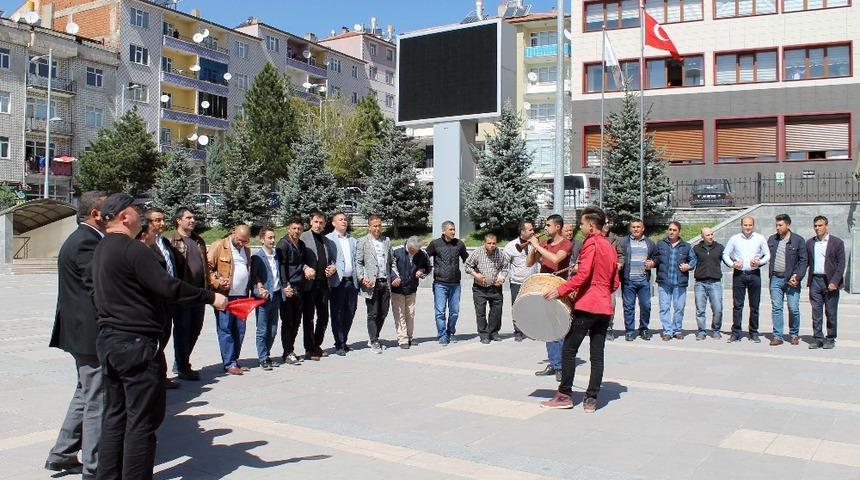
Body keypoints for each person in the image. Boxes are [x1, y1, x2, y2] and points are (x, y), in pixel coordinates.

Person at [92, 193, 226, 479]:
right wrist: (209, 297)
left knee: (115, 416)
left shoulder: (102, 248)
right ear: (124, 217)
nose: (141, 215)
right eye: (136, 210)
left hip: (110, 342)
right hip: (137, 346)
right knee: (142, 422)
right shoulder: (134, 250)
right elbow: (169, 287)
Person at [45, 191, 105, 479]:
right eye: (108, 211)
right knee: (97, 399)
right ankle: (95, 468)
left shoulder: (84, 239)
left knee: (84, 393)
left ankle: (63, 453)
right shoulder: (86, 243)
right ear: (95, 214)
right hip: (89, 334)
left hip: (81, 333)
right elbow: (99, 288)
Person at [541, 206, 620, 412]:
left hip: (588, 305)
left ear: (592, 226)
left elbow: (583, 275)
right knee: (597, 354)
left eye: (583, 223)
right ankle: (591, 399)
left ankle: (565, 395)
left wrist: (560, 290)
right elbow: (615, 283)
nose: (580, 227)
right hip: (604, 307)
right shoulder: (610, 246)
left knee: (568, 349)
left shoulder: (591, 243)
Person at [527, 214, 572, 380]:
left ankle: (560, 366)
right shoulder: (544, 243)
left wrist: (538, 247)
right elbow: (529, 263)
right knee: (547, 327)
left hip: (558, 288)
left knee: (558, 328)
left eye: (548, 225)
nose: (545, 228)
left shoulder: (566, 243)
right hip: (543, 287)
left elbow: (555, 258)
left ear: (557, 227)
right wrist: (532, 248)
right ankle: (554, 363)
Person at [168, 207, 209, 380]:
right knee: (182, 330)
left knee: (195, 330)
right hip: (183, 295)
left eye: (193, 217)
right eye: (188, 217)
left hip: (199, 293)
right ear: (178, 220)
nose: (193, 220)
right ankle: (183, 366)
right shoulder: (171, 241)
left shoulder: (198, 240)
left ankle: (181, 362)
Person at [208, 224, 252, 375]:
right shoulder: (219, 246)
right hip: (225, 296)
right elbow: (207, 267)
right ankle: (229, 363)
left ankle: (234, 360)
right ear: (233, 233)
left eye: (245, 241)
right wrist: (217, 281)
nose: (241, 243)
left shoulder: (246, 250)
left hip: (242, 296)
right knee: (226, 329)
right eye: (239, 240)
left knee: (239, 330)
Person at [144, 208, 180, 389]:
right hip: (156, 299)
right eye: (157, 220)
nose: (162, 223)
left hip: (169, 299)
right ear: (148, 223)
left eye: (163, 220)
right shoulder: (145, 245)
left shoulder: (164, 242)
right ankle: (155, 376)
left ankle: (161, 375)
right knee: (156, 338)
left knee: (165, 335)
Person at [722, 216, 770, 343]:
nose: (747, 227)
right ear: (741, 225)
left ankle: (753, 332)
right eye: (745, 225)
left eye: (750, 225)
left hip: (754, 274)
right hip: (739, 275)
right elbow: (725, 254)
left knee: (754, 306)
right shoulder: (734, 239)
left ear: (753, 225)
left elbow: (768, 254)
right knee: (737, 305)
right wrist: (732, 264)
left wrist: (759, 262)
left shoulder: (759, 238)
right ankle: (736, 332)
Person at [356, 215, 397, 354]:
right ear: (369, 227)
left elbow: (392, 261)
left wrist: (394, 276)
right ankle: (374, 341)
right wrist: (362, 278)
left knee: (383, 312)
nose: (377, 228)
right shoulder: (362, 241)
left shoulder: (386, 240)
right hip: (371, 283)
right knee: (373, 313)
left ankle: (374, 337)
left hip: (385, 282)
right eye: (374, 226)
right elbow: (359, 262)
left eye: (379, 225)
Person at [300, 211, 337, 360]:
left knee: (323, 316)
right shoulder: (303, 238)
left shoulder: (326, 240)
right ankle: (309, 348)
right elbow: (297, 260)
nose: (318, 225)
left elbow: (332, 260)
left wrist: (332, 268)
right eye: (316, 222)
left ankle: (317, 344)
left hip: (323, 284)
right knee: (308, 317)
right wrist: (304, 268)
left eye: (321, 223)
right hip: (309, 285)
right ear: (310, 222)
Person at [766, 214, 807, 346]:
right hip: (776, 279)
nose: (777, 227)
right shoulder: (772, 239)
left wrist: (798, 276)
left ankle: (794, 334)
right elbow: (764, 255)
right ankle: (777, 336)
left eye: (780, 225)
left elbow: (803, 261)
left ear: (788, 225)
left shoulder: (798, 240)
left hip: (791, 280)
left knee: (793, 308)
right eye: (776, 225)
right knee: (777, 308)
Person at [426, 220, 468, 345]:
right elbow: (424, 257)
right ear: (444, 231)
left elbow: (467, 259)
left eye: (454, 229)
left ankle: (451, 332)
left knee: (454, 312)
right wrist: (424, 269)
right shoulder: (435, 244)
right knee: (440, 311)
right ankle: (442, 335)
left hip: (455, 283)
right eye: (451, 229)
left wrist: (477, 271)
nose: (453, 232)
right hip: (440, 283)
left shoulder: (459, 244)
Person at [806, 216, 845, 350]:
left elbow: (841, 265)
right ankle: (818, 338)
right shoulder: (810, 243)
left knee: (831, 312)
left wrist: (834, 281)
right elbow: (805, 263)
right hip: (815, 281)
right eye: (815, 226)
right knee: (816, 312)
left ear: (826, 226)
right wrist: (796, 276)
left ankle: (830, 338)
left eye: (820, 225)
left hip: (830, 282)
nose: (817, 228)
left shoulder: (837, 243)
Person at [654, 221, 696, 341]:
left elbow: (693, 260)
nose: (671, 232)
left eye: (674, 230)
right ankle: (667, 331)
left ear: (679, 232)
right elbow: (656, 258)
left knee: (679, 307)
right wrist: (652, 262)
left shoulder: (686, 246)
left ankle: (677, 330)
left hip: (679, 282)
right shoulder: (661, 244)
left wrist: (688, 266)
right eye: (670, 229)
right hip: (664, 282)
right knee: (664, 307)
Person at [465, 233, 510, 344]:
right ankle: (484, 335)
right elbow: (467, 266)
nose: (492, 245)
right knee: (480, 312)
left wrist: (502, 278)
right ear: (484, 243)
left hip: (495, 288)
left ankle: (494, 333)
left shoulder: (500, 254)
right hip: (480, 288)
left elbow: (505, 267)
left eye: (494, 243)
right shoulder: (477, 253)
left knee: (496, 311)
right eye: (489, 243)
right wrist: (476, 275)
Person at [326, 212, 359, 356]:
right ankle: (339, 343)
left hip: (351, 281)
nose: (344, 221)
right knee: (337, 313)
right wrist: (330, 266)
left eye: (345, 219)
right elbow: (326, 258)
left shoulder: (353, 240)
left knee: (350, 312)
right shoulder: (328, 239)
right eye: (340, 220)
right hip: (337, 282)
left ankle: (344, 340)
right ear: (333, 223)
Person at [619, 219, 657, 341]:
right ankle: (630, 331)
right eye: (633, 227)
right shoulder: (624, 242)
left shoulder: (650, 243)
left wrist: (653, 263)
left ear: (643, 228)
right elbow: (619, 256)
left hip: (644, 281)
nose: (636, 229)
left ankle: (644, 329)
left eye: (638, 227)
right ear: (630, 229)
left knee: (646, 306)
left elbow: (656, 258)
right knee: (629, 307)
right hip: (628, 280)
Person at [251, 226, 283, 370]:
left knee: (273, 329)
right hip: (263, 299)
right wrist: (259, 292)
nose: (272, 240)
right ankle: (263, 358)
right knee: (262, 329)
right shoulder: (257, 257)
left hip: (276, 296)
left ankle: (267, 355)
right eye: (269, 238)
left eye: (273, 237)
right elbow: (253, 278)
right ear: (262, 239)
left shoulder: (277, 255)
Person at [503, 220, 540, 341]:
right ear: (522, 231)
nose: (533, 232)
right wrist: (501, 276)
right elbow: (504, 263)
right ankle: (518, 331)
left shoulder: (536, 243)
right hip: (517, 282)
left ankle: (531, 330)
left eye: (533, 229)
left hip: (532, 281)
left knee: (532, 307)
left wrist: (536, 246)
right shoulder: (510, 246)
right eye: (530, 230)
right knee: (517, 307)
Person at [391, 236, 431, 349]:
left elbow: (428, 267)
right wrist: (394, 277)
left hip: (412, 288)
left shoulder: (422, 253)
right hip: (397, 288)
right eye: (412, 250)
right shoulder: (396, 251)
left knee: (410, 314)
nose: (414, 252)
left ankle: (409, 337)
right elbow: (389, 266)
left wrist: (422, 271)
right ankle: (402, 339)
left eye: (416, 251)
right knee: (400, 314)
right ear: (407, 246)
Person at [276, 219, 307, 364]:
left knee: (296, 321)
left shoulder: (301, 244)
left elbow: (301, 264)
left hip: (299, 288)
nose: (296, 231)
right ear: (289, 229)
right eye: (294, 228)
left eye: (299, 229)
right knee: (287, 321)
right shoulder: (283, 244)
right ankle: (287, 351)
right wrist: (284, 285)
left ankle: (290, 349)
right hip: (288, 288)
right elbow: (281, 266)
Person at [692, 227, 725, 340]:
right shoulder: (696, 248)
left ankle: (716, 330)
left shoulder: (719, 247)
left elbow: (727, 259)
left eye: (711, 234)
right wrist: (687, 266)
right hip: (700, 283)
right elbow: (692, 262)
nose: (711, 237)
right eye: (708, 235)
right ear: (702, 237)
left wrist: (735, 262)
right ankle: (701, 331)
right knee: (700, 310)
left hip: (715, 283)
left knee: (718, 309)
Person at [602, 217, 625, 341]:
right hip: (596, 279)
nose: (607, 225)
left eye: (608, 223)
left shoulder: (615, 238)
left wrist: (620, 264)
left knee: (611, 304)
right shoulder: (592, 238)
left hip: (610, 279)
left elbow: (621, 255)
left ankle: (609, 328)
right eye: (604, 223)